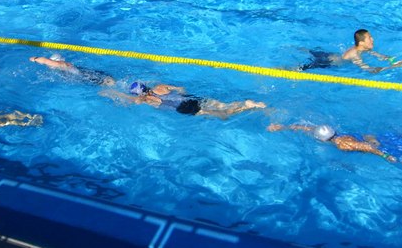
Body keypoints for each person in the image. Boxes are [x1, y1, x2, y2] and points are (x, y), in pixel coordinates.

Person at [100, 81, 266, 119]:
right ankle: (248, 103)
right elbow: (181, 89)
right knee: (223, 105)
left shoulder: (146, 99)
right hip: (191, 99)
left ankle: (247, 106)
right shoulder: (160, 86)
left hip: (184, 108)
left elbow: (131, 100)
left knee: (224, 114)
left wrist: (111, 93)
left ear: (140, 93)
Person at [267, 123, 397, 163]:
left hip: (382, 144)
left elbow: (367, 146)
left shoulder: (342, 145)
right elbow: (304, 128)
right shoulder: (332, 134)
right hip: (370, 137)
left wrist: (386, 156)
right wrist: (282, 127)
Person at [30, 55, 115, 86]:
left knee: (111, 88)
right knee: (105, 91)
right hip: (94, 77)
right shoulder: (64, 68)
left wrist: (35, 59)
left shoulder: (64, 65)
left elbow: (46, 61)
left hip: (97, 77)